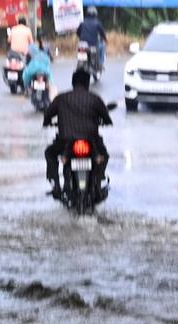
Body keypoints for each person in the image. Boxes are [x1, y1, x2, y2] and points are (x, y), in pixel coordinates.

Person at [43, 69, 113, 198]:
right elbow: (107, 118)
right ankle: (98, 180)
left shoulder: (61, 98)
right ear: (87, 83)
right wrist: (105, 121)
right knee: (104, 156)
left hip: (65, 142)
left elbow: (47, 115)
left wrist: (47, 122)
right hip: (92, 143)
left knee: (50, 153)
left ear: (73, 82)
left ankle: (56, 185)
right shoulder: (95, 99)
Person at [76, 7, 107, 72]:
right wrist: (105, 39)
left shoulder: (82, 22)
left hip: (82, 45)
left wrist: (81, 37)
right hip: (92, 45)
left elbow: (77, 32)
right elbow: (103, 33)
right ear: (95, 14)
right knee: (102, 46)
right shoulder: (97, 23)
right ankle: (101, 64)